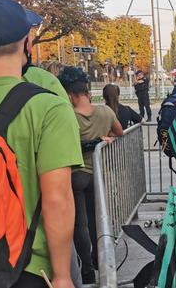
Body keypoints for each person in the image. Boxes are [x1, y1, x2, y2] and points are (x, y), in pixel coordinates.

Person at [0, 0, 83, 287]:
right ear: (26, 43)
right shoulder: (46, 108)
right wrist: (62, 275)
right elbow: (57, 199)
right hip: (25, 266)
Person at [58, 66, 123, 284]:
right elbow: (120, 131)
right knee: (98, 221)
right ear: (87, 92)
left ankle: (86, 268)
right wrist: (104, 138)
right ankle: (100, 259)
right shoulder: (105, 112)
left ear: (71, 95)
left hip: (76, 175)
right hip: (98, 173)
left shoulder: (68, 116)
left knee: (80, 225)